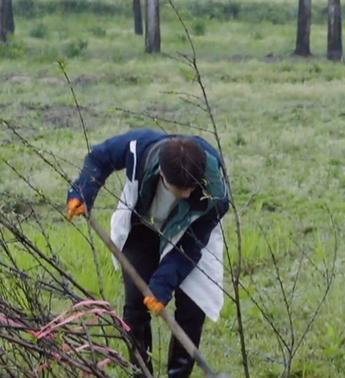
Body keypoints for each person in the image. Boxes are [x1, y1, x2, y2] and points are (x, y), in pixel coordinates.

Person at [66, 128, 229, 377]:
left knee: (192, 310)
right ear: (163, 174)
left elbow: (191, 247)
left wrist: (162, 285)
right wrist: (82, 192)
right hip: (144, 225)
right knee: (135, 306)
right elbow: (100, 158)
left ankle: (178, 374)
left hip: (188, 233)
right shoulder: (140, 149)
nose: (187, 194)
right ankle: (141, 373)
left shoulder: (213, 197)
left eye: (191, 189)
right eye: (179, 189)